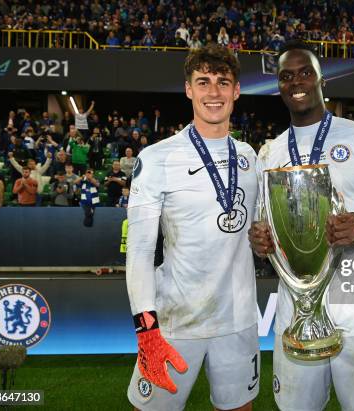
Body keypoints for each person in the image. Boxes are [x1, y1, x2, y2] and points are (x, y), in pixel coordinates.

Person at [249, 40, 354, 411]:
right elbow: (264, 227)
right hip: (295, 316)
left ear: (323, 80)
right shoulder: (269, 152)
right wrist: (257, 238)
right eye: (287, 76)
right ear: (279, 86)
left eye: (306, 72)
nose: (297, 81)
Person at [126, 44, 259, 411]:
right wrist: (146, 328)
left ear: (236, 91)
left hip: (239, 321)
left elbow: (258, 235)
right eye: (203, 82)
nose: (213, 92)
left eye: (222, 82)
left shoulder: (250, 158)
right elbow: (138, 252)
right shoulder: (156, 158)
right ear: (188, 89)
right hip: (174, 323)